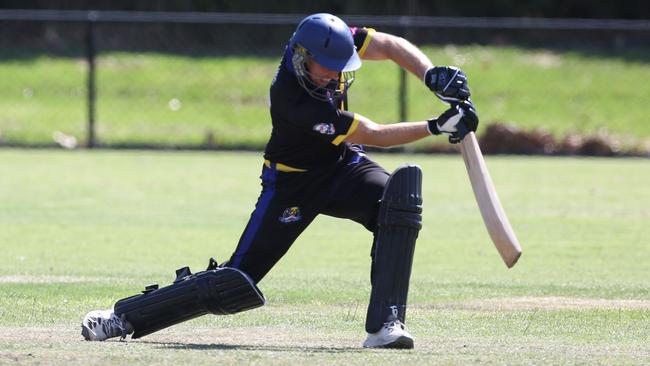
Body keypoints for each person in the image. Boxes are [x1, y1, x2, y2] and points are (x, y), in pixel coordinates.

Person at [81, 13, 477, 349]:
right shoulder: (293, 98)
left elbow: (388, 45)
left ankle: (385, 325)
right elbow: (371, 134)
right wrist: (436, 125)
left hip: (341, 167)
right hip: (292, 185)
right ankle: (122, 317)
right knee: (236, 280)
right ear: (303, 59)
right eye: (328, 68)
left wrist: (432, 76)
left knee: (397, 201)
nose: (336, 75)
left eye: (342, 66)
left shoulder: (326, 44)